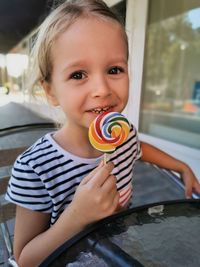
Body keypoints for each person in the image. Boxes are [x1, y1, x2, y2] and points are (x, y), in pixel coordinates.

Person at [5, 0, 200, 266]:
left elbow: (139, 148)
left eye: (114, 70)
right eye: (78, 74)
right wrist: (76, 216)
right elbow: (25, 259)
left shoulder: (122, 137)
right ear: (50, 91)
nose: (102, 88)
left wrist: (181, 166)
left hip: (117, 251)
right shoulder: (36, 168)